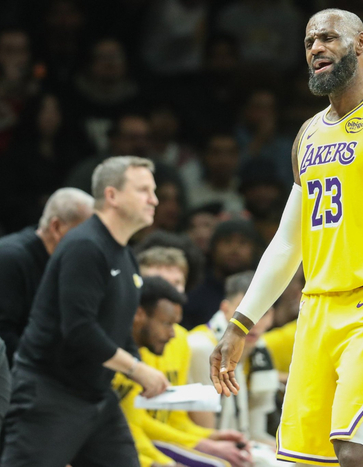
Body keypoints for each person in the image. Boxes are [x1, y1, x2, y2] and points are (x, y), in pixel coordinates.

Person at [210, 8, 363, 467]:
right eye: (308, 42)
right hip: (317, 307)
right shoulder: (308, 134)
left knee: (356, 451)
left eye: (328, 38)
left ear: (361, 43)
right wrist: (240, 324)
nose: (316, 48)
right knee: (300, 460)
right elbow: (287, 242)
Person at [1, 156, 169, 466]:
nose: (154, 200)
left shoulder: (124, 254)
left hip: (96, 394)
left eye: (153, 191)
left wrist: (145, 372)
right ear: (112, 195)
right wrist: (136, 368)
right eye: (144, 190)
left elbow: (117, 330)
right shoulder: (85, 246)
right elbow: (79, 330)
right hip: (50, 394)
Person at [113, 275, 251, 467]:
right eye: (167, 324)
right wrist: (158, 463)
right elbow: (129, 428)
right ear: (139, 314)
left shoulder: (174, 341)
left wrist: (206, 436)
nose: (173, 333)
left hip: (136, 445)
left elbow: (160, 421)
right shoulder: (116, 356)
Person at [189, 272, 284, 466]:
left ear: (272, 317)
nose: (254, 322)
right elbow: (209, 434)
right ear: (225, 309)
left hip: (240, 445)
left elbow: (254, 432)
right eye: (246, 313)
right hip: (203, 447)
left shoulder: (261, 352)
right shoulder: (201, 347)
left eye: (263, 312)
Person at [0, 187, 94, 366]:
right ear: (56, 227)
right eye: (86, 233)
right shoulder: (10, 259)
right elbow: (3, 334)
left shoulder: (70, 261)